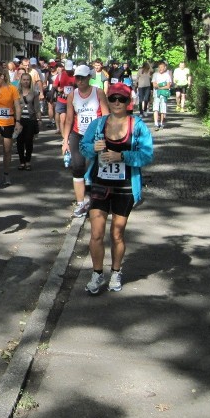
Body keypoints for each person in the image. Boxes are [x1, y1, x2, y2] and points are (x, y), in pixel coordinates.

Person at [80, 83, 153, 294]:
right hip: (100, 184)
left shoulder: (137, 125)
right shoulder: (98, 124)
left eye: (122, 99)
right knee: (96, 233)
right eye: (113, 99)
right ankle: (96, 274)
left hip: (125, 186)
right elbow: (84, 147)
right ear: (108, 101)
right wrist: (93, 149)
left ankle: (115, 272)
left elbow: (147, 155)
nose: (117, 103)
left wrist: (122, 156)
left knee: (117, 233)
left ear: (128, 102)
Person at [62, 64, 110, 217]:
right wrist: (65, 140)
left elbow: (106, 115)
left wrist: (107, 136)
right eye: (77, 77)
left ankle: (98, 201)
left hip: (96, 136)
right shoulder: (72, 95)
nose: (80, 81)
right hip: (78, 134)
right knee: (77, 167)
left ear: (89, 78)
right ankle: (81, 203)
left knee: (98, 168)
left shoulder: (98, 93)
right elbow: (69, 119)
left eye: (82, 77)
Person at [16, 72, 41, 170]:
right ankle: (22, 161)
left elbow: (37, 107)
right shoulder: (16, 92)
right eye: (24, 79)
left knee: (29, 141)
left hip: (31, 119)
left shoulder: (34, 93)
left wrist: (39, 119)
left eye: (28, 80)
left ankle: (28, 161)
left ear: (30, 81)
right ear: (21, 81)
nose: (26, 81)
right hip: (19, 119)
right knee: (19, 141)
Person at [53, 60, 76, 135]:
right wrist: (58, 89)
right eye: (67, 69)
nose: (68, 71)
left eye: (70, 69)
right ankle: (64, 138)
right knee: (62, 120)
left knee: (70, 120)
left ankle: (69, 135)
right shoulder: (60, 75)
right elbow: (55, 85)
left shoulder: (76, 75)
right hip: (62, 100)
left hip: (73, 101)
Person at [152, 61, 172, 130]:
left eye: (162, 67)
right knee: (156, 109)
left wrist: (159, 86)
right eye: (159, 67)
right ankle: (156, 124)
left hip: (163, 95)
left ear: (165, 68)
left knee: (163, 109)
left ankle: (161, 123)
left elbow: (168, 86)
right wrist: (163, 84)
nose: (160, 69)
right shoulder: (155, 75)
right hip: (156, 94)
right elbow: (154, 85)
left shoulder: (167, 75)